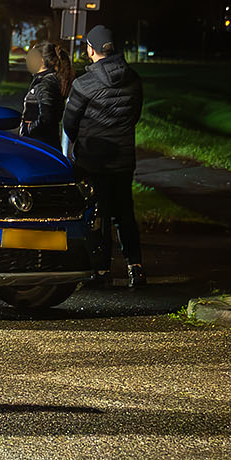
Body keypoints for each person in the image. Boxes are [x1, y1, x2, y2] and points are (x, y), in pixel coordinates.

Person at [61, 25, 146, 289]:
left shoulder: (84, 84)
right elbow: (134, 115)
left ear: (91, 49)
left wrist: (81, 143)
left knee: (98, 214)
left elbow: (69, 123)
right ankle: (135, 268)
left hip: (93, 160)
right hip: (123, 159)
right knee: (125, 213)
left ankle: (101, 270)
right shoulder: (134, 79)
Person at [18, 40, 66, 146]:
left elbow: (47, 117)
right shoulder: (45, 80)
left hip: (39, 144)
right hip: (41, 143)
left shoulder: (45, 83)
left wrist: (29, 128)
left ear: (42, 61)